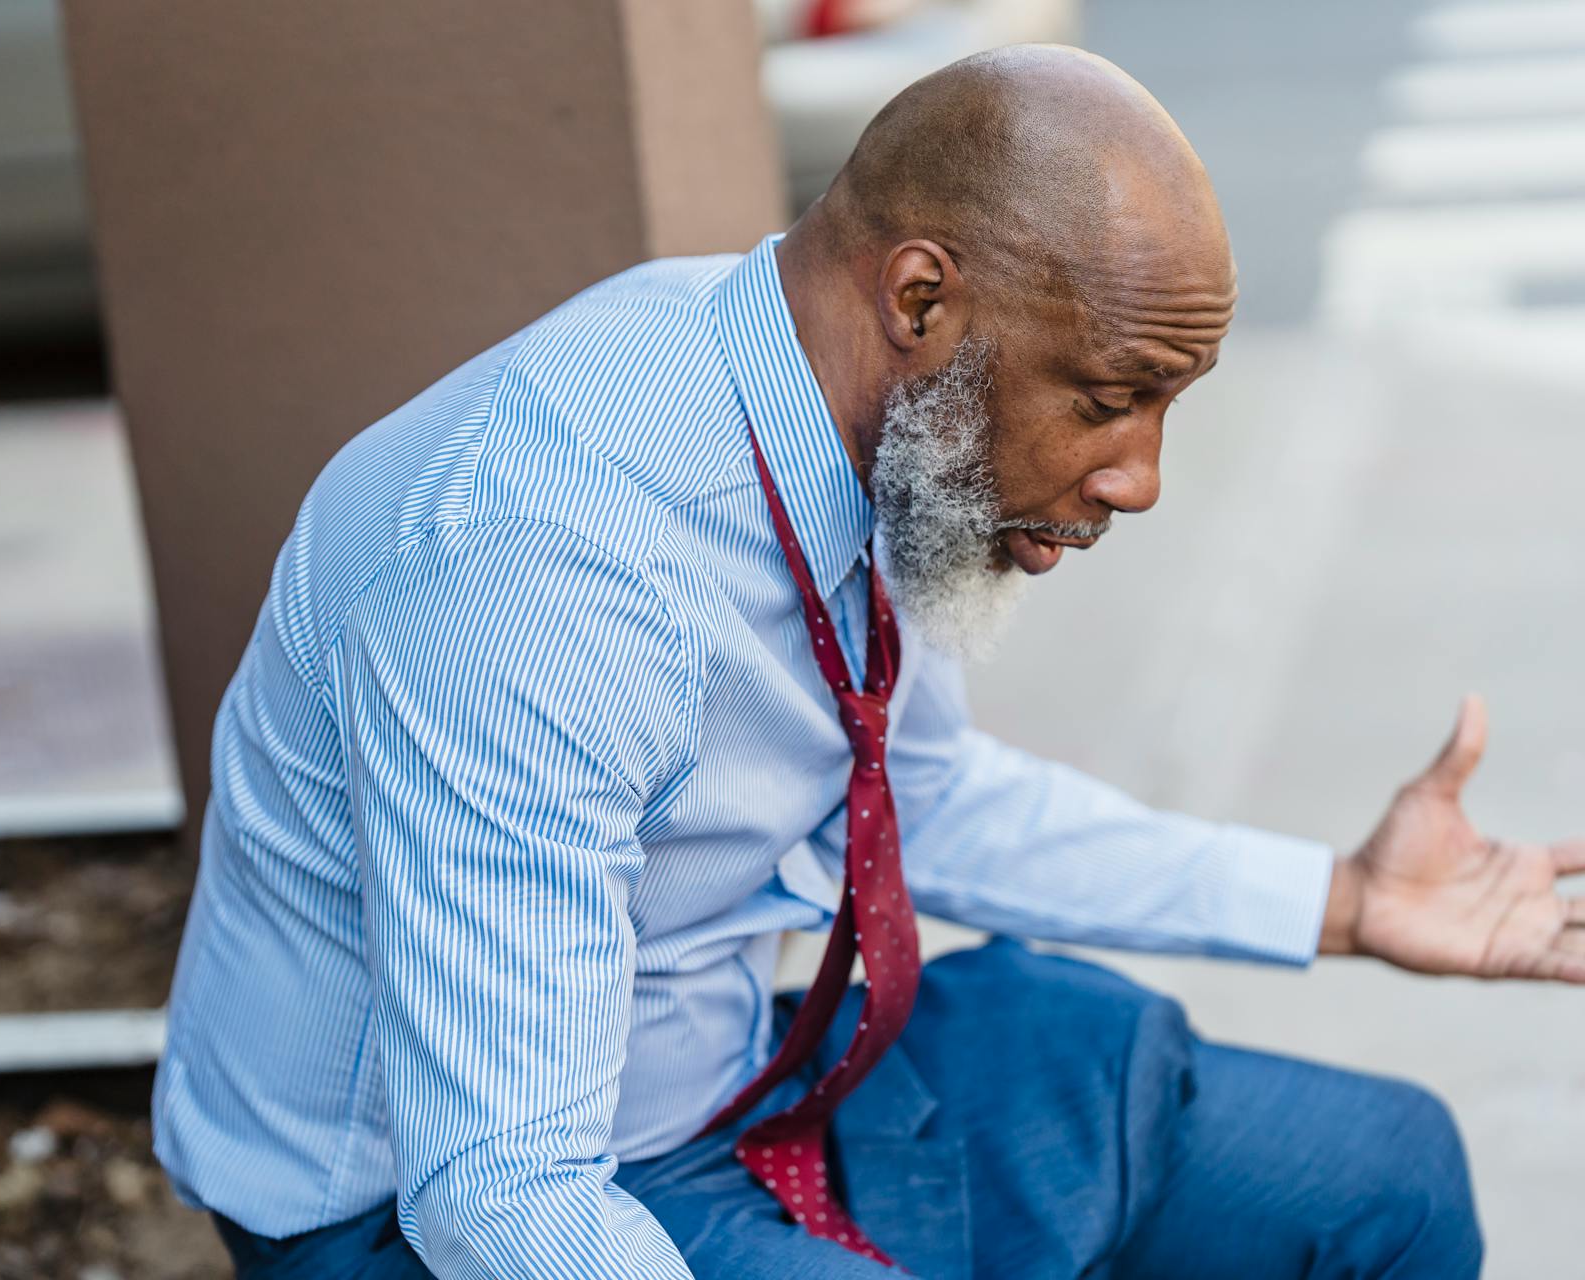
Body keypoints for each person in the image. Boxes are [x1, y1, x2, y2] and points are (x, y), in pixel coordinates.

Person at [155, 46, 1575, 1278]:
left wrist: (1342, 898)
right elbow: (505, 1195)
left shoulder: (858, 419)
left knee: (1387, 1179)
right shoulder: (545, 575)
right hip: (430, 1213)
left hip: (743, 1071)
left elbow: (923, 802)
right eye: (1110, 399)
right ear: (920, 301)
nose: (1141, 480)